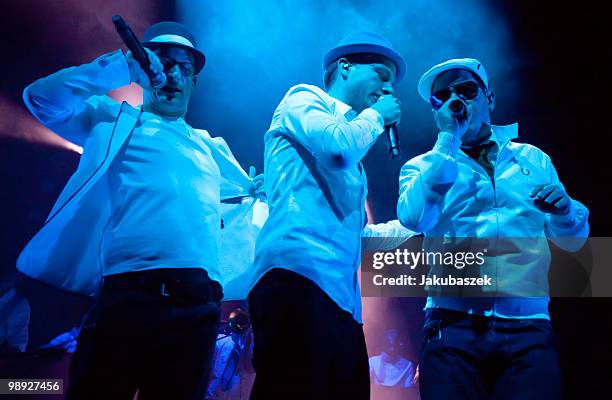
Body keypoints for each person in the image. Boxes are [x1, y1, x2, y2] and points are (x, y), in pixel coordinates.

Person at [17, 21, 262, 399]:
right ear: (145, 68)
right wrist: (122, 67)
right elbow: (42, 98)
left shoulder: (210, 147)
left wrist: (256, 195)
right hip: (128, 295)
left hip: (197, 305)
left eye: (184, 67)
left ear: (194, 81)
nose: (173, 74)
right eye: (162, 62)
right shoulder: (113, 120)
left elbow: (238, 203)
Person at [397, 58, 590, 399]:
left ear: (490, 98)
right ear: (436, 110)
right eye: (443, 96)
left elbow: (574, 243)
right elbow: (415, 219)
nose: (456, 100)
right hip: (451, 327)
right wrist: (447, 141)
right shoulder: (423, 166)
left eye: (467, 90)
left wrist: (564, 212)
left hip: (528, 329)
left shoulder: (533, 159)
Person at [248, 31, 413, 399]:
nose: (388, 89)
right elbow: (338, 149)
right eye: (381, 75)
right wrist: (374, 117)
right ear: (345, 67)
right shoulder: (304, 99)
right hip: (297, 278)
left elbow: (354, 236)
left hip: (342, 301)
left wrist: (415, 223)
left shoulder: (355, 148)